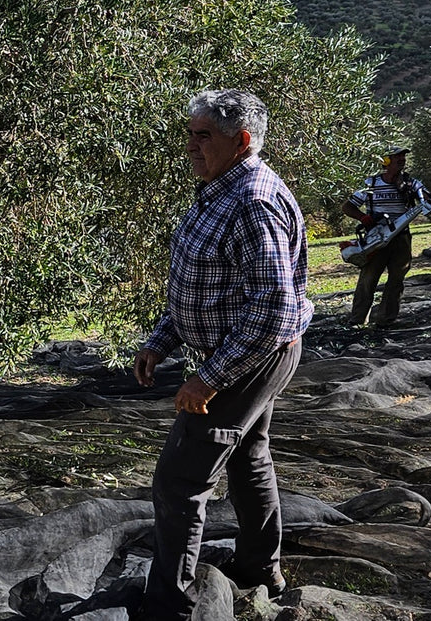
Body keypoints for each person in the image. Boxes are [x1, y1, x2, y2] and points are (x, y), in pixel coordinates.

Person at [134, 89, 311, 620]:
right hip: (239, 350)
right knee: (249, 455)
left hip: (250, 356)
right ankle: (261, 569)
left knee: (181, 479)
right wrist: (161, 341)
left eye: (203, 136)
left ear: (242, 141)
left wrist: (208, 379)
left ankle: (174, 604)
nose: (190, 145)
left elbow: (273, 310)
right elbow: (205, 286)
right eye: (189, 134)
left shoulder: (254, 202)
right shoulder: (218, 189)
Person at [343, 146, 431, 328]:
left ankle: (386, 321)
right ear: (386, 161)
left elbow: (428, 199)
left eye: (403, 156)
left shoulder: (411, 184)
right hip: (376, 239)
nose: (402, 159)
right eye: (397, 156)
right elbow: (347, 207)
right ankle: (357, 320)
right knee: (368, 279)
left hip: (401, 239)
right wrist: (364, 218)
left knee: (396, 280)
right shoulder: (371, 183)